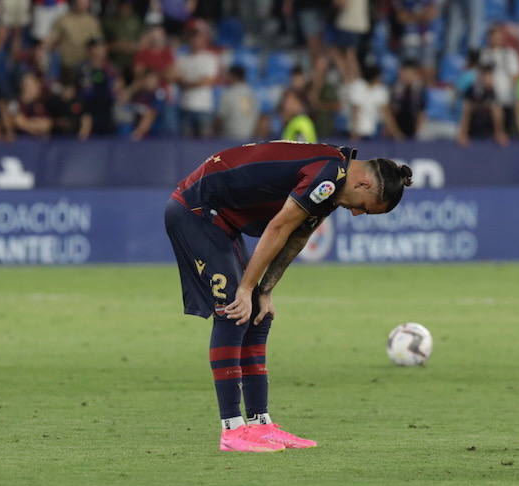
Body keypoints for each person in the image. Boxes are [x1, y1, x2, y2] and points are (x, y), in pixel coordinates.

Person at [165, 143, 414, 452]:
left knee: (258, 312)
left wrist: (264, 290)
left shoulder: (333, 185)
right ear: (364, 184)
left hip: (221, 219)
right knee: (234, 309)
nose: (356, 212)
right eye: (364, 207)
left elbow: (298, 236)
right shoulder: (328, 174)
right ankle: (231, 429)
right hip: (196, 210)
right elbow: (279, 226)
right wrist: (245, 289)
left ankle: (260, 424)